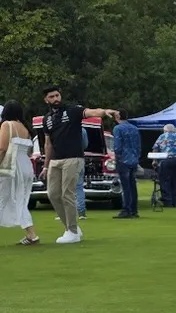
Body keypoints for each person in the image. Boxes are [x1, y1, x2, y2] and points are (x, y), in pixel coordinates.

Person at [39, 85, 119, 244]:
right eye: (51, 97)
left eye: (57, 95)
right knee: (53, 194)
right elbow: (48, 144)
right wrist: (46, 166)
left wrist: (105, 111)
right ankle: (70, 227)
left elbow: (91, 112)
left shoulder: (72, 110)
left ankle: (73, 232)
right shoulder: (46, 118)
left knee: (66, 193)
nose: (55, 99)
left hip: (73, 158)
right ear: (46, 99)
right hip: (55, 160)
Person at [0, 100, 39, 245]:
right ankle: (31, 234)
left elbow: (2, 148)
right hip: (26, 167)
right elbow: (28, 151)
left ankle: (32, 234)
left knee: (7, 199)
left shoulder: (7, 125)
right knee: (20, 200)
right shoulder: (25, 128)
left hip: (11, 168)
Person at [111, 111, 141, 218]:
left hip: (123, 159)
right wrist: (137, 157)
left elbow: (117, 146)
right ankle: (134, 209)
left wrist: (117, 157)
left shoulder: (118, 128)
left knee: (125, 186)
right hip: (133, 159)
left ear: (118, 117)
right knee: (132, 185)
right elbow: (138, 145)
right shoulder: (134, 128)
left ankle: (126, 209)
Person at [151, 123, 176, 207]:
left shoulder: (162, 137)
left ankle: (168, 201)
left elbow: (155, 148)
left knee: (165, 181)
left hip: (166, 160)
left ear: (165, 130)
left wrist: (154, 160)